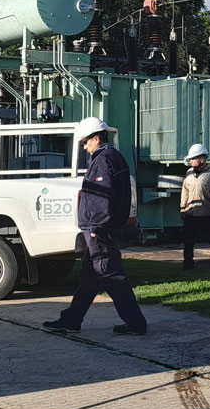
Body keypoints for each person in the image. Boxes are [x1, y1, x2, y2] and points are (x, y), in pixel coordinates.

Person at [44, 117, 147, 335]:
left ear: (96, 139)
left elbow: (101, 197)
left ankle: (136, 323)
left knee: (112, 276)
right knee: (89, 278)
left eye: (85, 141)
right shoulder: (115, 157)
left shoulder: (103, 160)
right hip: (105, 229)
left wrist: (96, 227)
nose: (84, 146)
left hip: (100, 231)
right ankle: (72, 319)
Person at [180, 143, 210, 270]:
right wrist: (183, 207)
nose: (190, 161)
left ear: (202, 159)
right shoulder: (189, 173)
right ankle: (188, 265)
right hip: (191, 214)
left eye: (193, 158)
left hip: (207, 215)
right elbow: (185, 190)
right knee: (188, 241)